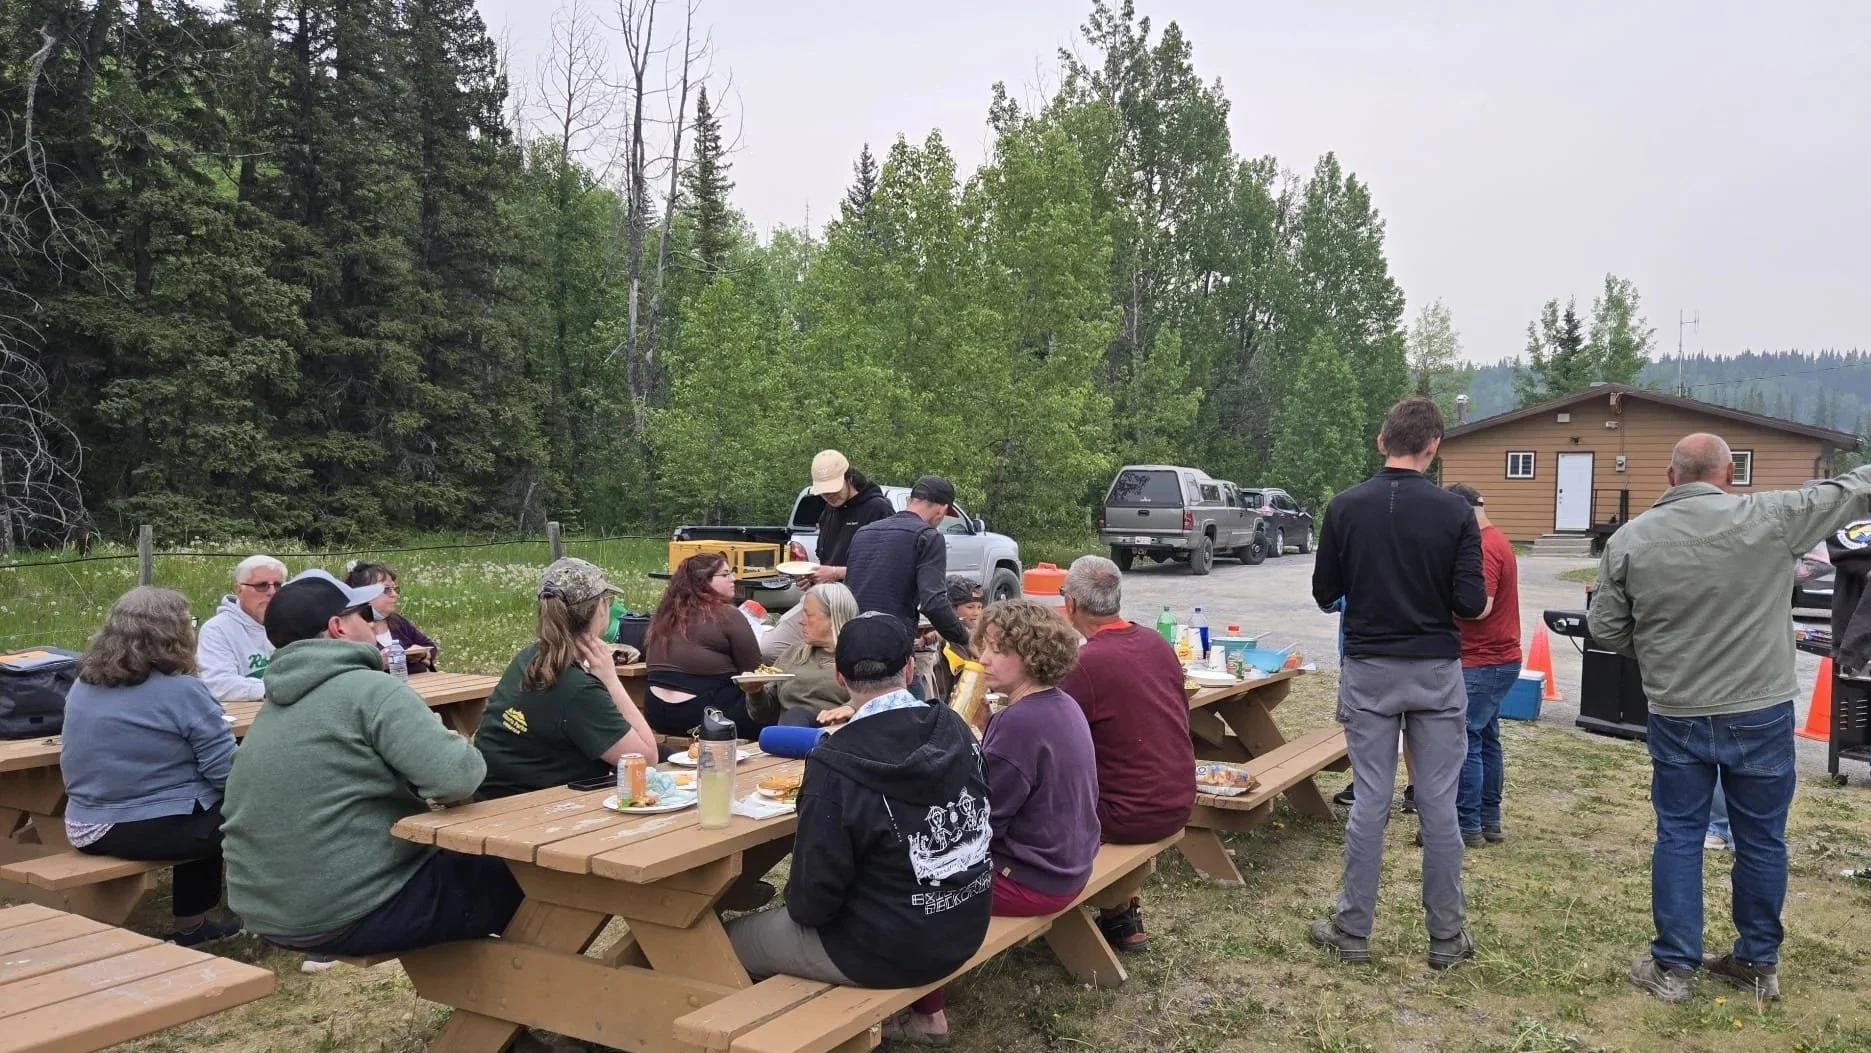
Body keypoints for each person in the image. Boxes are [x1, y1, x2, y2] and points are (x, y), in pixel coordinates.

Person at [1590, 434, 1871, 1003]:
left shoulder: (1630, 539)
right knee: (1762, 838)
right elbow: (1854, 488)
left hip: (1678, 708)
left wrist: (1664, 650)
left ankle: (1673, 968)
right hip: (1759, 709)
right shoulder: (1771, 515)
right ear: (1728, 475)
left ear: (1671, 478)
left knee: (1680, 834)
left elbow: (1607, 630)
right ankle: (1757, 961)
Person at [221, 569, 521, 958]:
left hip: (269, 911)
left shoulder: (273, 707)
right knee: (535, 876)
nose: (375, 623)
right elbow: (458, 777)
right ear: (337, 628)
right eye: (363, 614)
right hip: (354, 907)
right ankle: (549, 999)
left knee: (470, 871)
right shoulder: (371, 689)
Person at [725, 613, 991, 1036]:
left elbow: (811, 906)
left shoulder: (835, 763)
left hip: (879, 949)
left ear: (838, 675)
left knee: (721, 941)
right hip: (965, 923)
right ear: (908, 668)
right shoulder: (954, 727)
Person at [1309, 396, 1485, 970]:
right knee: (1438, 804)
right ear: (1433, 449)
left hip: (1370, 670)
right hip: (1435, 670)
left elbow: (1324, 592)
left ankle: (1353, 929)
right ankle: (1446, 937)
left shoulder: (1344, 507)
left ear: (1382, 442)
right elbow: (1469, 600)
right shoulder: (1455, 513)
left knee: (1370, 800)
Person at [889, 599, 1100, 1044]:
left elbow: (980, 827)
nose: (982, 658)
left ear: (1033, 655)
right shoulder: (1058, 704)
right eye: (983, 646)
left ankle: (928, 1016)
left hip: (1036, 876)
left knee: (908, 882)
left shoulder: (1020, 722)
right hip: (1071, 858)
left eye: (998, 650)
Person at [60, 587, 241, 946]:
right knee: (251, 814)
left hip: (84, 823)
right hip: (136, 824)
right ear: (174, 634)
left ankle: (193, 925)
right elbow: (228, 775)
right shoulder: (182, 691)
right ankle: (285, 918)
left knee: (203, 807)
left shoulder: (84, 683)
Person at [1057, 555, 1194, 952]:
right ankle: (1124, 916)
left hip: (1128, 815)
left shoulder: (1086, 663)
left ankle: (1105, 910)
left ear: (1071, 605)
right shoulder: (1155, 642)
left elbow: (1045, 734)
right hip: (1179, 799)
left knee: (1044, 795)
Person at [475, 558, 661, 799]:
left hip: (492, 795)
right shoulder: (578, 688)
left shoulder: (530, 656)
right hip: (532, 809)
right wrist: (611, 681)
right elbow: (646, 761)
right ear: (601, 608)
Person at [1445, 482, 1523, 848]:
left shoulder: (1483, 547)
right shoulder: (1497, 539)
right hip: (1498, 658)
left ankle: (1466, 824)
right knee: (1487, 738)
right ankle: (1489, 819)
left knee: (1465, 741)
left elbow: (1479, 607)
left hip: (1481, 660)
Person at [846, 475, 971, 695]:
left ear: (910, 501)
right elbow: (934, 603)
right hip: (893, 650)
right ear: (942, 510)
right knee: (914, 719)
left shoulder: (863, 533)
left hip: (853, 645)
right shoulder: (928, 537)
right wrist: (965, 637)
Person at [643, 553, 763, 736]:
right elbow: (753, 671)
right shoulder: (727, 614)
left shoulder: (664, 615)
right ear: (703, 581)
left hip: (656, 712)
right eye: (725, 574)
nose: (734, 578)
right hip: (703, 715)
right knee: (766, 702)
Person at [746, 583, 859, 728]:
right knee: (796, 715)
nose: (801, 621)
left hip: (834, 736)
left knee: (797, 716)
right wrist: (755, 692)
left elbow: (882, 697)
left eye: (808, 614)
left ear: (833, 617)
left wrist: (852, 707)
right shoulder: (793, 654)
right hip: (791, 733)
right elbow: (762, 715)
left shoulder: (860, 657)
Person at [196, 554, 286, 702]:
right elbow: (218, 684)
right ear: (239, 590)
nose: (272, 592)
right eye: (262, 586)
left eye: (278, 585)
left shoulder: (291, 621)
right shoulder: (217, 629)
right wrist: (277, 689)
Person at [802, 449, 895, 586]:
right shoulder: (828, 510)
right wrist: (812, 579)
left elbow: (888, 565)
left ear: (849, 477)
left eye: (833, 489)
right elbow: (826, 559)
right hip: (831, 598)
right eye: (823, 492)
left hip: (863, 600)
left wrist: (835, 573)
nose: (829, 495)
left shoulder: (878, 509)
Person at [343, 561, 439, 674]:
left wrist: (422, 654)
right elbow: (349, 671)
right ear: (363, 593)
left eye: (395, 589)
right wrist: (379, 663)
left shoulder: (398, 621)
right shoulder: (349, 628)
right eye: (386, 589)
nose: (394, 594)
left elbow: (429, 647)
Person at [927, 577, 985, 704]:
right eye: (970, 607)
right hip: (951, 701)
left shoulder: (979, 634)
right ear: (952, 609)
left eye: (979, 607)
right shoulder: (948, 639)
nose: (976, 613)